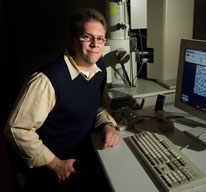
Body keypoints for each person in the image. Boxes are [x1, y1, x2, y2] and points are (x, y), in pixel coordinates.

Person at [4, 8, 120, 191]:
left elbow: (100, 106)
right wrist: (55, 164)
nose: (95, 44)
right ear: (72, 41)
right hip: (57, 169)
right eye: (87, 37)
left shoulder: (100, 68)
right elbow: (16, 129)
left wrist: (108, 126)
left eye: (100, 39)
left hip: (85, 155)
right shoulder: (47, 80)